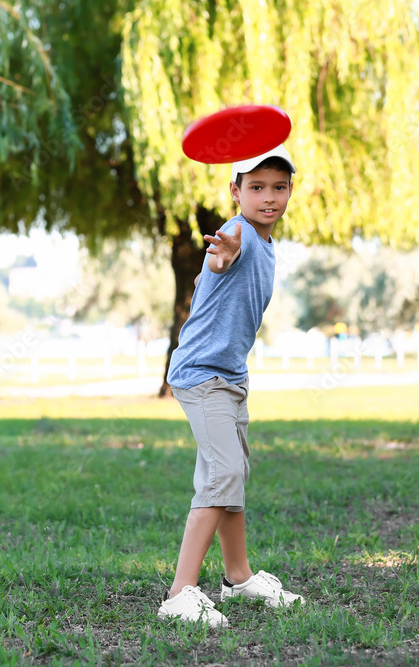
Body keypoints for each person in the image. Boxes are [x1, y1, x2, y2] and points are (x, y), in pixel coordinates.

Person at [157, 143, 305, 628]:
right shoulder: (238, 232)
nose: (269, 197)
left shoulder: (264, 241)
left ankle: (238, 578)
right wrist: (221, 257)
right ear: (235, 191)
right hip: (202, 375)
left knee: (233, 474)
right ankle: (181, 593)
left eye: (279, 187)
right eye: (257, 187)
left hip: (230, 377)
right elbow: (222, 258)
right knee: (223, 477)